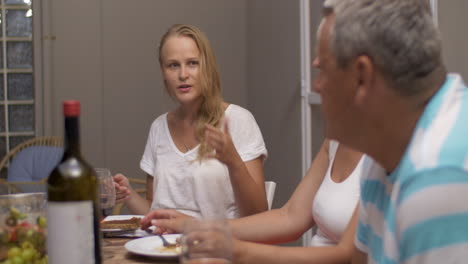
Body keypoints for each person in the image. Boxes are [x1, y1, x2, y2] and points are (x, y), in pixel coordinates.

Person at [314, 0, 468, 263]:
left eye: (324, 71)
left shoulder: (438, 175)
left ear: (362, 76)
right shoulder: (382, 154)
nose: (317, 86)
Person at [113, 24, 269, 218]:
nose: (183, 75)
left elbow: (259, 214)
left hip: (216, 243)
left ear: (208, 67)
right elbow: (156, 211)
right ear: (163, 73)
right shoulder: (159, 127)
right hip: (163, 246)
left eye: (193, 63)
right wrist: (130, 195)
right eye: (173, 65)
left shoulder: (238, 120)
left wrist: (233, 160)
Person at [142, 139, 382, 263]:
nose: (316, 84)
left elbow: (346, 255)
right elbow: (290, 217)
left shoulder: (387, 153)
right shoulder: (336, 138)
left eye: (325, 68)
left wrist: (239, 252)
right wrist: (197, 225)